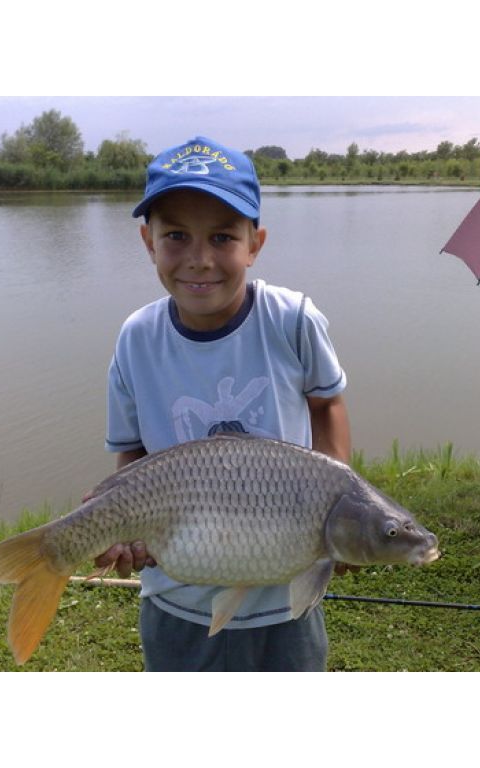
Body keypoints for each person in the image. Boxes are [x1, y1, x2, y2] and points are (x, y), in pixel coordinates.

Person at [94, 135, 351, 671]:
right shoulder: (136, 338)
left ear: (255, 244)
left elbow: (327, 406)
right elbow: (132, 455)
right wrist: (123, 527)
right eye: (177, 236)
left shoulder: (294, 319)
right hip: (176, 598)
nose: (200, 260)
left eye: (223, 238)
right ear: (148, 240)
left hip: (284, 602)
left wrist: (338, 511)